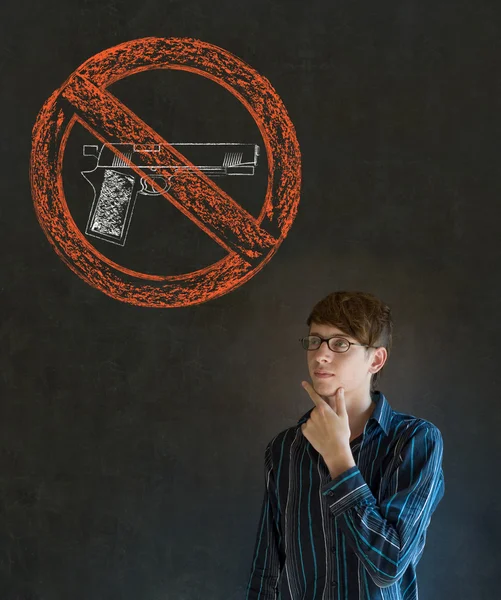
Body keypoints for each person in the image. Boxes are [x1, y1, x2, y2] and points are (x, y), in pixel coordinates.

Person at [245, 290, 445, 599]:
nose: (320, 355)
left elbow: (388, 566)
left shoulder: (415, 441)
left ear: (375, 359)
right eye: (315, 341)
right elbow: (266, 571)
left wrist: (339, 458)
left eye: (340, 343)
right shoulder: (284, 449)